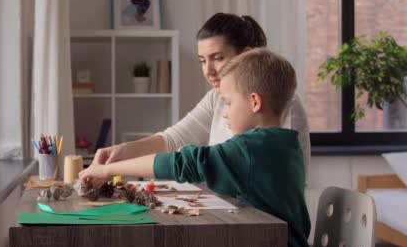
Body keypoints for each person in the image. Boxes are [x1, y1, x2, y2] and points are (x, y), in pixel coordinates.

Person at [80, 48, 311, 247]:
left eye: (229, 103)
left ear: (254, 102)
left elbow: (184, 163)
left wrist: (106, 171)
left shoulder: (251, 149)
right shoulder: (284, 144)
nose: (224, 113)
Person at [94, 13, 311, 179]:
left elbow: (191, 162)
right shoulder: (215, 99)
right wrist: (122, 152)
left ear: (245, 56)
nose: (208, 70)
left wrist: (111, 170)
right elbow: (175, 140)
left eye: (217, 57)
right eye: (202, 61)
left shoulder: (280, 106)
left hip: (261, 227)